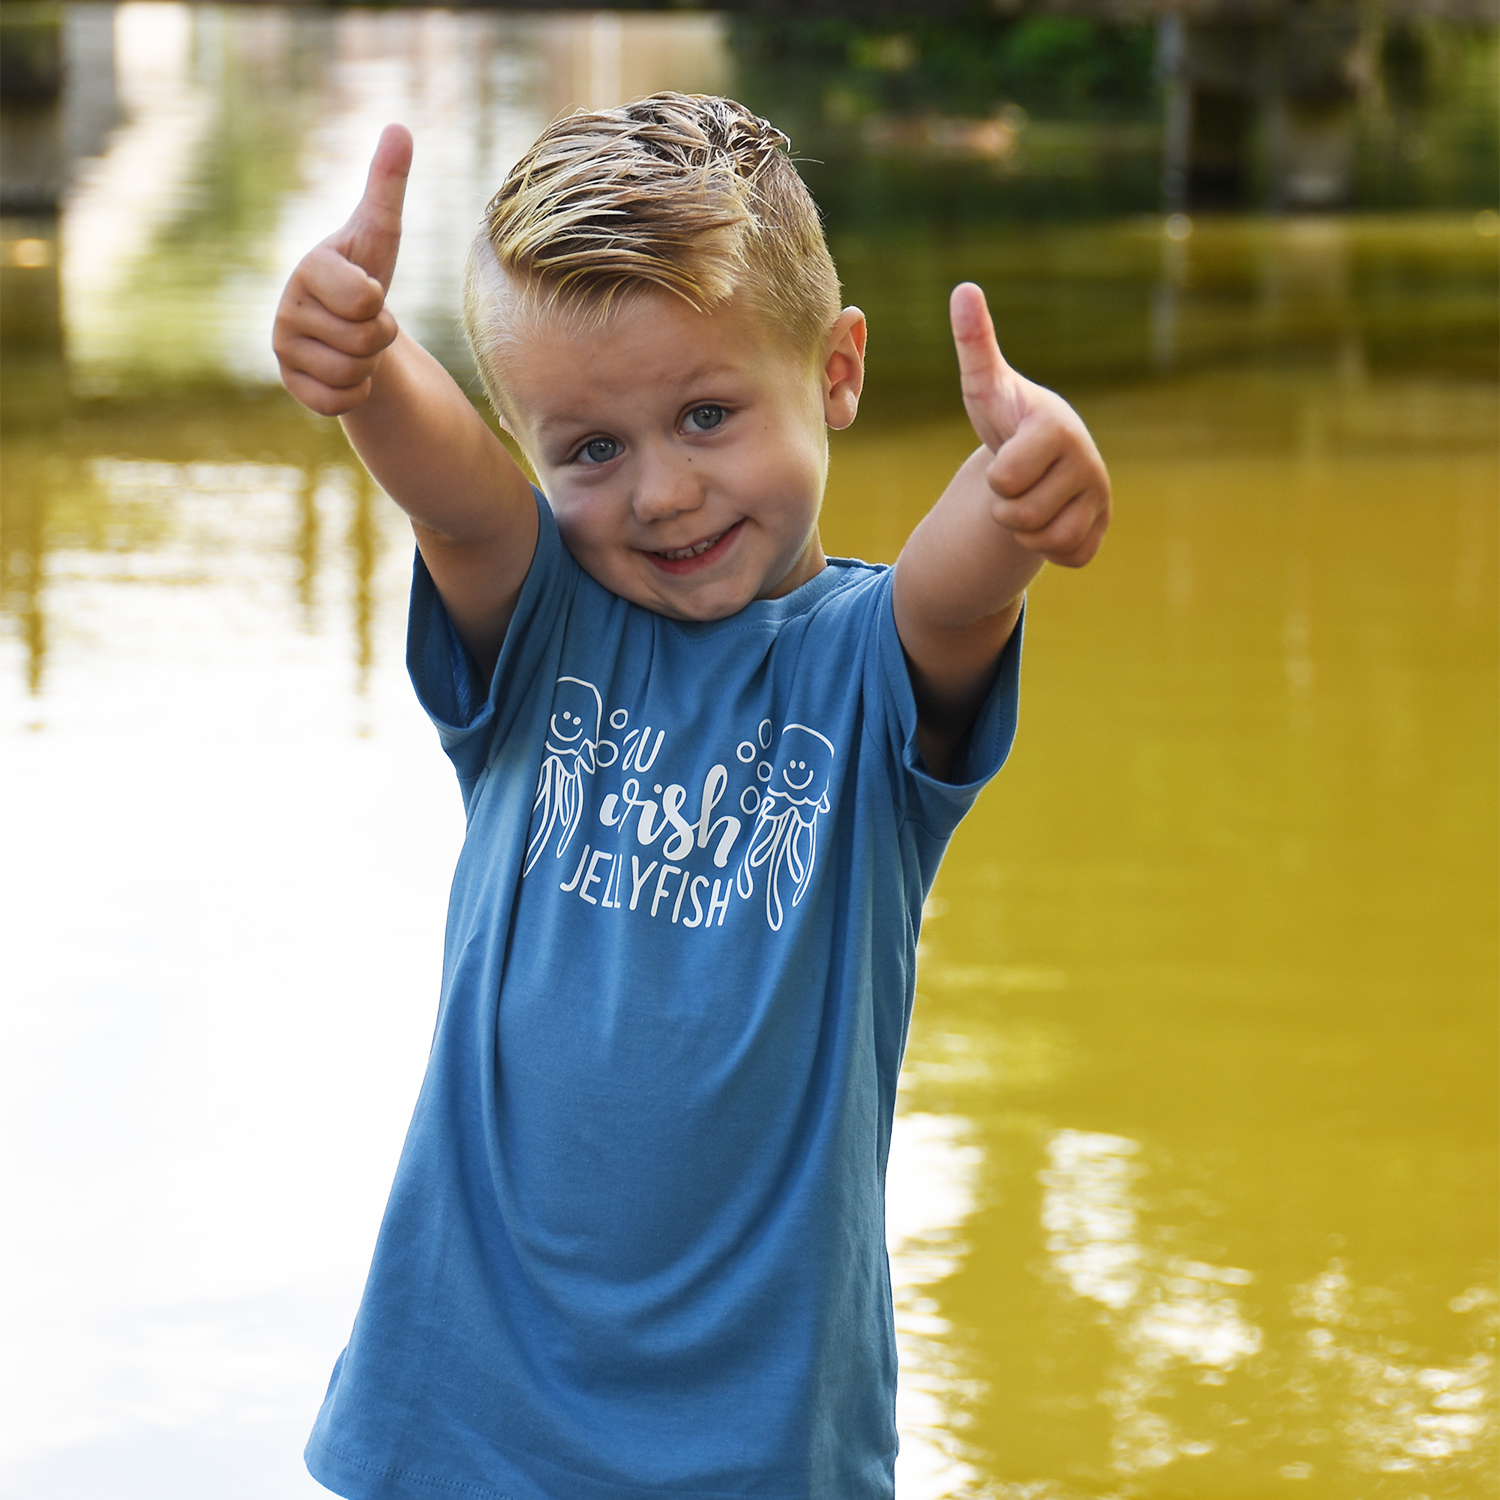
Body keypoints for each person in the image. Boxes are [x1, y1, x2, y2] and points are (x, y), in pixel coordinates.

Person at [273, 93, 1109, 1500]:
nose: (662, 493)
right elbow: (464, 504)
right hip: (457, 1423)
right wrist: (363, 371)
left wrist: (1019, 493)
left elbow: (955, 591)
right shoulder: (539, 630)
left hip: (757, 1450)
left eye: (708, 413)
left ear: (837, 370)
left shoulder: (867, 673)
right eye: (590, 449)